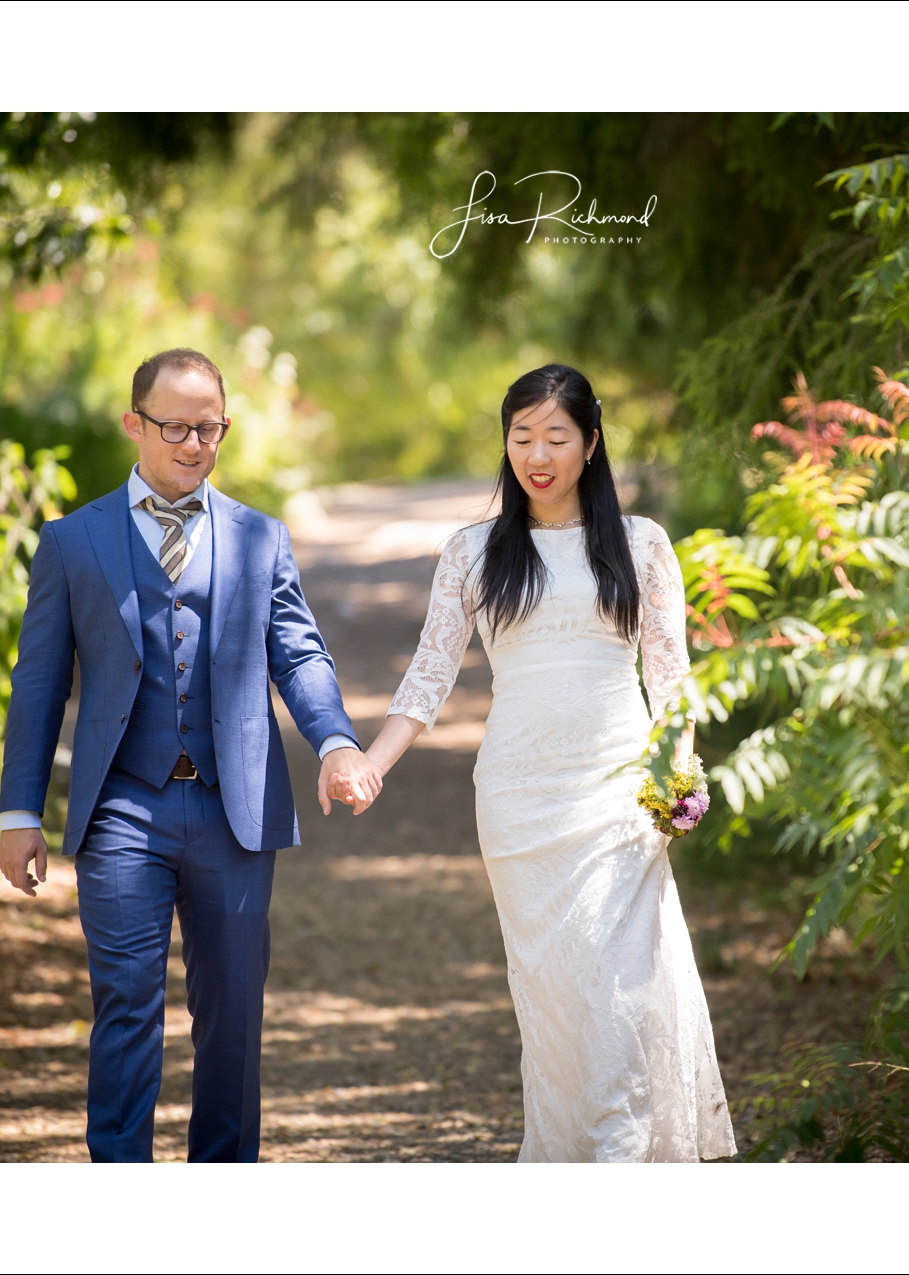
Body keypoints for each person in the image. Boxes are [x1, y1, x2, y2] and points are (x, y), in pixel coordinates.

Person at [339, 364, 736, 1161]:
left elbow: (672, 680)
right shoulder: (474, 551)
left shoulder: (642, 544)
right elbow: (429, 672)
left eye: (556, 435)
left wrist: (679, 775)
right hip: (520, 802)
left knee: (622, 995)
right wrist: (370, 760)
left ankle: (621, 1166)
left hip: (621, 794)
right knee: (556, 1003)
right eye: (522, 436)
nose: (538, 453)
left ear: (590, 444)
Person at [0, 347, 382, 1163]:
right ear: (135, 424)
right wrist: (20, 811)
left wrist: (336, 739)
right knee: (127, 1007)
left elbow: (300, 654)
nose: (195, 444)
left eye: (211, 428)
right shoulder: (72, 542)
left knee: (235, 1017)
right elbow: (38, 686)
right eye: (176, 427)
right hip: (121, 809)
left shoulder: (260, 537)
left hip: (232, 809)